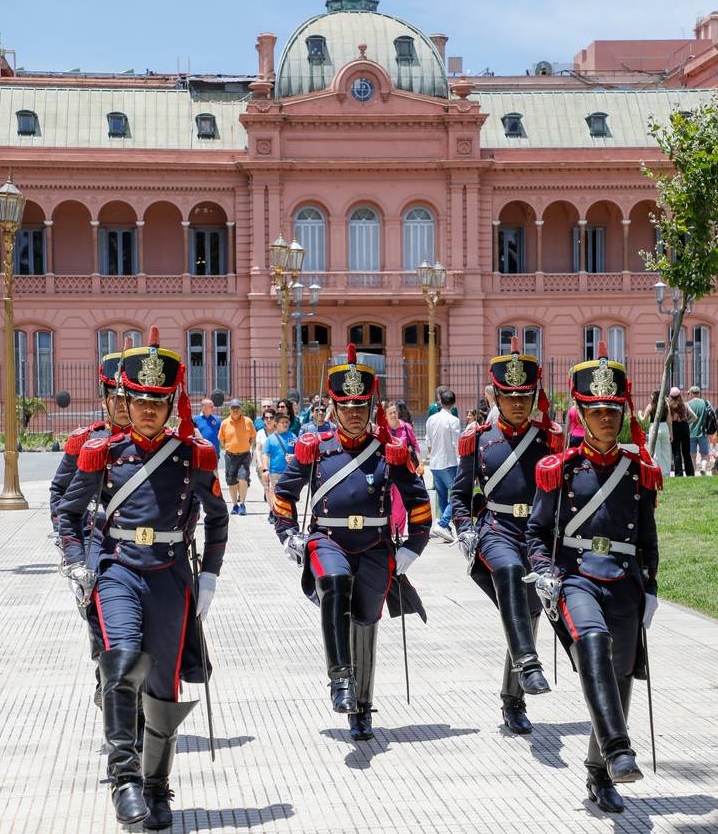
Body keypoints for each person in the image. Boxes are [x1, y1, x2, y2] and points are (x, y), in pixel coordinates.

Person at [56, 327, 228, 828]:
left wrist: (210, 577)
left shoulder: (193, 455)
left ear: (172, 402)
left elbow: (217, 518)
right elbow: (68, 511)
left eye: (158, 401)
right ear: (123, 401)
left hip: (172, 576)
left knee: (163, 686)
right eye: (139, 400)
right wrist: (75, 560)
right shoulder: (103, 453)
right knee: (121, 664)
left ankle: (157, 786)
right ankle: (125, 777)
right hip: (118, 569)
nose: (149, 410)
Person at [525, 341, 662, 814]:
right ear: (581, 411)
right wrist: (543, 570)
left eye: (613, 410)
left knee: (620, 675)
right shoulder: (559, 470)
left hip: (624, 580)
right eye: (597, 410)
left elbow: (647, 538)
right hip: (576, 575)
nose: (607, 418)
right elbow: (538, 531)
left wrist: (654, 586)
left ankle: (600, 775)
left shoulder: (637, 470)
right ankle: (621, 749)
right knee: (593, 642)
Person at [271, 344, 432, 741]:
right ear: (334, 407)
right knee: (334, 584)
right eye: (347, 407)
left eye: (362, 406)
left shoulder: (389, 451)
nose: (355, 414)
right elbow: (283, 494)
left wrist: (412, 549)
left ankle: (362, 706)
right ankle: (339, 678)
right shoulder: (315, 448)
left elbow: (419, 503)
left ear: (370, 404)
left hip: (376, 546)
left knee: (366, 621)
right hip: (329, 540)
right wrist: (288, 533)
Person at [451, 338, 559, 734]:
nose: (517, 403)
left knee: (529, 613)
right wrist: (464, 529)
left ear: (534, 396)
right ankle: (529, 664)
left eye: (524, 396)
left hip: (538, 535)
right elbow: (460, 494)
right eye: (509, 396)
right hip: (497, 530)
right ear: (495, 394)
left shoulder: (551, 439)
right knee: (511, 572)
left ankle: (513, 701)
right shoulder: (477, 439)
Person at [50, 347, 134, 713]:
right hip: (91, 546)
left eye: (125, 397)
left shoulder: (155, 444)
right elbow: (59, 494)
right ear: (103, 398)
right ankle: (107, 675)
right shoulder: (85, 440)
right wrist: (68, 542)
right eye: (113, 397)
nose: (119, 404)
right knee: (98, 619)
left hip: (135, 545)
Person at [425, 388, 461, 542]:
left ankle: (444, 527)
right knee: (457, 495)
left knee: (442, 497)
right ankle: (443, 523)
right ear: (453, 403)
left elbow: (428, 441)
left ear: (440, 401)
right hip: (448, 462)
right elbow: (456, 443)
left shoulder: (431, 419)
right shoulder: (453, 420)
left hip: (434, 463)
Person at [385, 400, 422, 537]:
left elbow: (415, 445)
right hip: (386, 470)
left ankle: (397, 532)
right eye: (391, 413)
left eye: (395, 412)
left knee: (400, 504)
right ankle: (387, 530)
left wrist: (421, 463)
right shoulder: (382, 429)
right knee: (387, 501)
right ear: (386, 415)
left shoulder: (406, 427)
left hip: (403, 470)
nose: (394, 415)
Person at [218, 398, 256, 514]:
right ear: (230, 409)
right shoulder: (225, 423)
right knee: (231, 481)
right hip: (230, 456)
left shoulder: (248, 421)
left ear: (241, 409)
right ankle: (235, 505)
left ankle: (242, 504)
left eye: (237, 408)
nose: (235, 410)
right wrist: (228, 448)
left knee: (243, 478)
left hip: (244, 455)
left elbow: (253, 436)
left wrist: (248, 446)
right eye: (233, 408)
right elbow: (221, 439)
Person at [261, 412, 298, 501]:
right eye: (282, 422)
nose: (285, 424)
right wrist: (265, 470)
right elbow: (265, 455)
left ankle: (287, 512)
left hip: (289, 471)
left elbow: (298, 452)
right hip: (275, 472)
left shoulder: (292, 436)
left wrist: (293, 456)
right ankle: (274, 512)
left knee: (288, 493)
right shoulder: (271, 438)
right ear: (276, 424)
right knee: (275, 493)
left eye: (287, 422)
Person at [638, 389, 672, 477]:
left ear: (654, 396)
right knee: (666, 452)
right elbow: (669, 421)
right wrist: (671, 433)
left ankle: (657, 471)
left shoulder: (650, 406)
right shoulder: (666, 405)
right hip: (665, 427)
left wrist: (639, 414)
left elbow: (643, 420)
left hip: (654, 427)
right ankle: (666, 473)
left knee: (656, 452)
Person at [254, 407, 277, 522]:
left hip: (278, 464)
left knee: (275, 489)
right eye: (266, 418)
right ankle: (272, 510)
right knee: (267, 489)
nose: (268, 420)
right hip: (265, 465)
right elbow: (258, 449)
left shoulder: (279, 431)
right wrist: (259, 462)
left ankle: (277, 510)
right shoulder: (260, 433)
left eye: (271, 418)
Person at [668, 387, 697, 476]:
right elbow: (695, 417)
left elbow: (668, 420)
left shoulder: (669, 406)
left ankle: (679, 473)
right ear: (680, 395)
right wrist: (687, 422)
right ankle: (690, 473)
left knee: (676, 452)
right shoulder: (685, 405)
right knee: (686, 452)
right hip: (684, 427)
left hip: (674, 427)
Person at [686, 385, 712, 474]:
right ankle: (703, 469)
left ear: (692, 394)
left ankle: (693, 471)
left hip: (691, 433)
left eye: (689, 393)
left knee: (692, 455)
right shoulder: (705, 403)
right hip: (703, 432)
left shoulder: (687, 404)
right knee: (704, 454)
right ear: (698, 393)